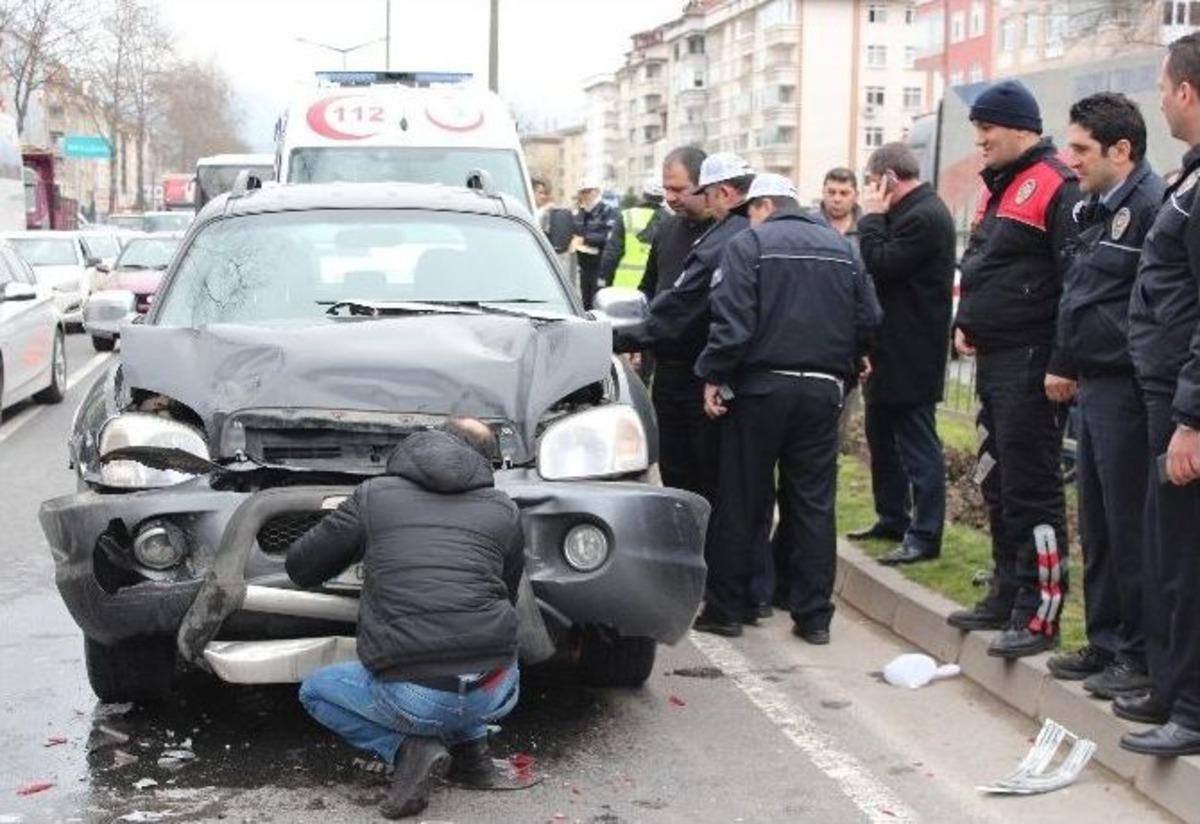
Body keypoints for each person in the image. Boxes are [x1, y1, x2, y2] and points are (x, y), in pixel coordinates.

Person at [286, 418, 524, 818]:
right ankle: (473, 758)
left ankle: (409, 751)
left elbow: (302, 568)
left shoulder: (374, 495)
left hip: (416, 697)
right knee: (466, 638)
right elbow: (508, 592)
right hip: (496, 688)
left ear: (424, 444)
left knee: (315, 690)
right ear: (485, 461)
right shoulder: (504, 508)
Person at [692, 173, 881, 642]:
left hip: (759, 390)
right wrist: (848, 362)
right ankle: (813, 616)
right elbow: (870, 318)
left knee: (741, 499)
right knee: (813, 504)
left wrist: (715, 375)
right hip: (822, 390)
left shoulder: (751, 245)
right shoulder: (842, 247)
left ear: (763, 205)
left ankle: (727, 609)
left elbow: (732, 323)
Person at [949, 79, 1081, 658]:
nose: (980, 140)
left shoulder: (1055, 184)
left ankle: (1041, 608)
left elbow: (1074, 282)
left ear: (1020, 128)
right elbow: (983, 263)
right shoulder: (997, 189)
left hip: (1031, 363)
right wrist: (967, 320)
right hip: (995, 358)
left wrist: (1062, 361)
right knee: (996, 481)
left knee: (1033, 491)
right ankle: (1006, 589)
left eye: (987, 130)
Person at [1042, 93, 1163, 702]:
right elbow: (1081, 294)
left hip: (1127, 388)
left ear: (1122, 150)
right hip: (1094, 385)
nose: (1071, 159)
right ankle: (1106, 639)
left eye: (1083, 149)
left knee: (1127, 522)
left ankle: (1136, 652)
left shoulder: (1148, 206)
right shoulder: (1094, 208)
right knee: (1097, 520)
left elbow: (1147, 308)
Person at [1119, 33, 1200, 757]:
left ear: (1186, 90)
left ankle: (1194, 709)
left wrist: (1192, 417)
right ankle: (1173, 689)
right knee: (1165, 550)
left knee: (1187, 557)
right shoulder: (1191, 178)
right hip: (1164, 395)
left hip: (1186, 407)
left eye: (1162, 84)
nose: (1160, 98)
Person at [613, 151, 751, 507]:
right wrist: (635, 332)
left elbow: (692, 306)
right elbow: (650, 290)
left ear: (708, 188)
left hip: (709, 375)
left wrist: (619, 337)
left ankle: (711, 552)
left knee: (710, 476)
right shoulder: (667, 228)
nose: (671, 198)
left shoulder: (731, 235)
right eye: (666, 189)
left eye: (680, 189)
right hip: (668, 370)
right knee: (674, 469)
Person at [848, 142, 956, 566]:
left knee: (917, 444)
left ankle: (925, 533)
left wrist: (871, 218)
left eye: (874, 182)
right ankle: (892, 516)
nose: (872, 191)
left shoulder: (925, 216)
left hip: (912, 350)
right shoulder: (908, 212)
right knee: (881, 436)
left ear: (890, 177)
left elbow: (880, 262)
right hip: (888, 347)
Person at [600, 178, 670, 288]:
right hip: (655, 287)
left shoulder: (626, 216)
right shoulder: (670, 220)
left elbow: (613, 253)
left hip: (625, 284)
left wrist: (603, 278)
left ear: (643, 195)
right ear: (663, 197)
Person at [573, 180, 620, 309]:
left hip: (600, 266)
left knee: (599, 303)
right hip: (584, 266)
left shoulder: (608, 211)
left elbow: (608, 237)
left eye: (588, 191)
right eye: (582, 192)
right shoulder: (580, 213)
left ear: (597, 192)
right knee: (586, 303)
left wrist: (585, 240)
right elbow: (574, 233)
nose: (585, 195)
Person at [533, 178, 576, 292]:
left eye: (545, 193)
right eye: (540, 193)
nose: (544, 197)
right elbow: (532, 225)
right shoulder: (530, 212)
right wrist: (543, 211)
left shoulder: (546, 213)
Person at [820, 167, 864, 249]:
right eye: (831, 192)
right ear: (823, 192)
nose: (837, 199)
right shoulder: (809, 224)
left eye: (844, 193)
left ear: (856, 196)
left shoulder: (867, 228)